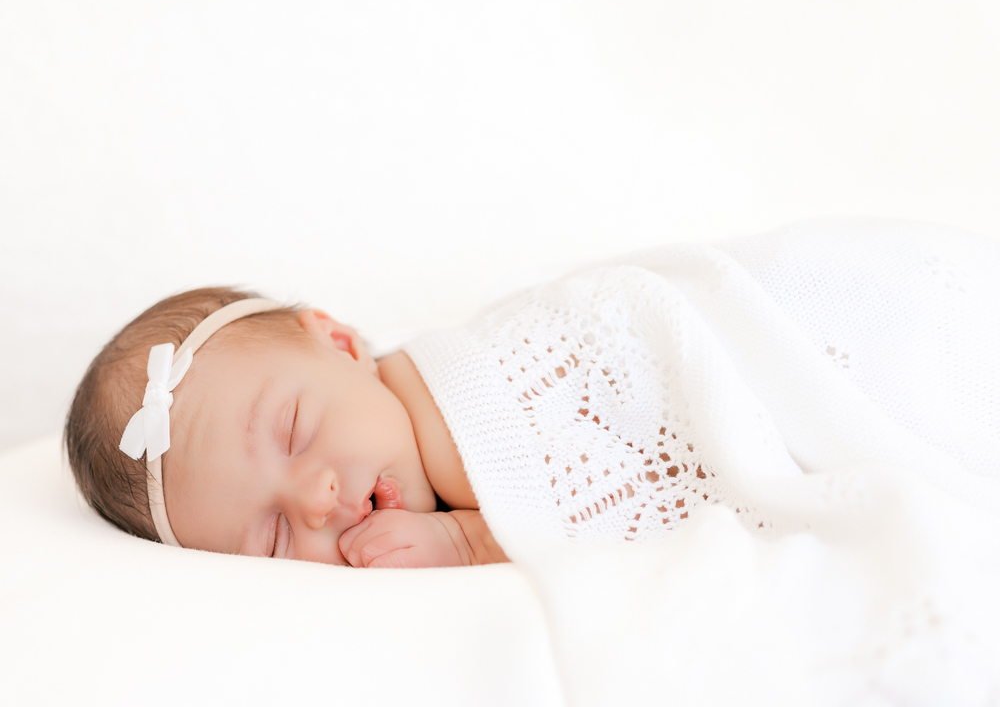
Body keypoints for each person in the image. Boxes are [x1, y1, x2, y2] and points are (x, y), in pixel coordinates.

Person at [65, 220, 1000, 567]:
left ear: (342, 341)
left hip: (853, 315)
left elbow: (601, 444)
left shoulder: (458, 383)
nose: (315, 501)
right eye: (273, 537)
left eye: (298, 430)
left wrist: (467, 538)